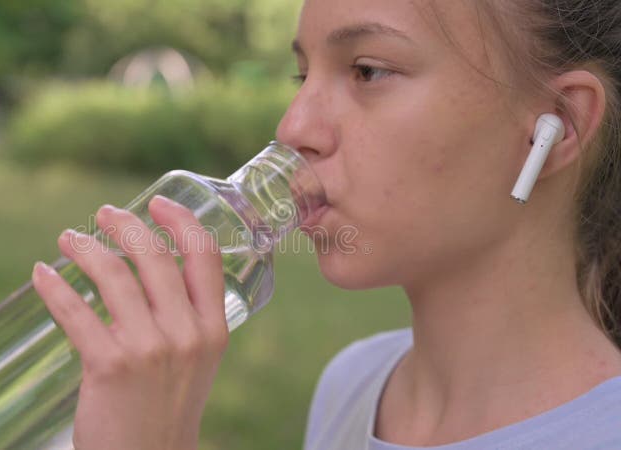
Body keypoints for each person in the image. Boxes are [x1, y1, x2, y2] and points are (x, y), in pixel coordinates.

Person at [31, 0, 621, 448]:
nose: (293, 128)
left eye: (367, 71)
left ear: (558, 125)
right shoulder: (354, 384)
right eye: (303, 74)